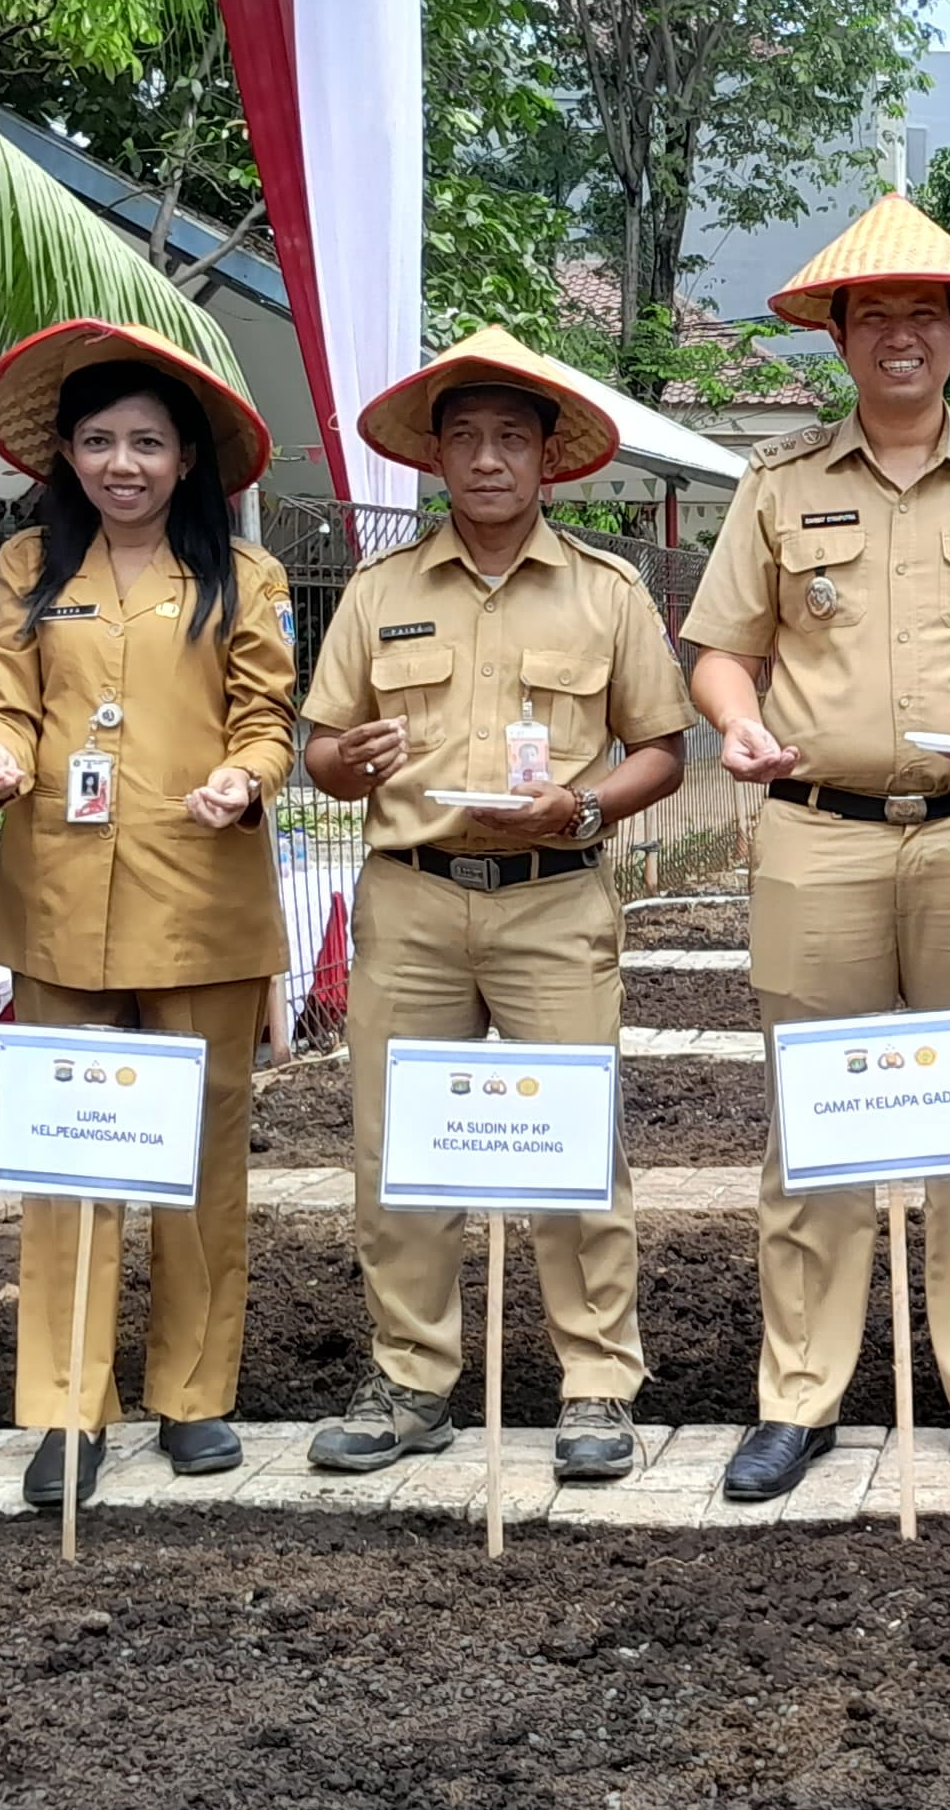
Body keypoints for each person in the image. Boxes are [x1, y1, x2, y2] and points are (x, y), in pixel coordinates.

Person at [683, 196, 950, 1502]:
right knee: (816, 1123)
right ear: (844, 336)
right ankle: (798, 1394)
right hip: (819, 840)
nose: (903, 336)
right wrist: (738, 730)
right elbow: (722, 656)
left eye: (927, 314)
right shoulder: (779, 486)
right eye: (879, 316)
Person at [298, 330, 695, 1484]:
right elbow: (319, 747)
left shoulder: (607, 592)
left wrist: (580, 807)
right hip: (413, 900)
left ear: (547, 462)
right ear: (435, 458)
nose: (485, 460)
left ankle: (596, 1385)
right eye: (464, 438)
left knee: (576, 1143)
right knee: (396, 1148)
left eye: (509, 440)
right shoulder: (378, 594)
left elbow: (662, 750)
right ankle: (413, 1379)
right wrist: (343, 763)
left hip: (552, 899)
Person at [0, 320, 295, 1510]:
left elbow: (266, 718)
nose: (123, 463)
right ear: (70, 457)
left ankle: (195, 1395)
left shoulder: (249, 579)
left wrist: (246, 778)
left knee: (202, 1156)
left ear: (188, 457)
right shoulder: (32, 564)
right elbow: (12, 707)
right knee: (66, 1154)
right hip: (60, 898)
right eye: (99, 441)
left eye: (147, 441)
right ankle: (68, 1408)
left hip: (201, 891)